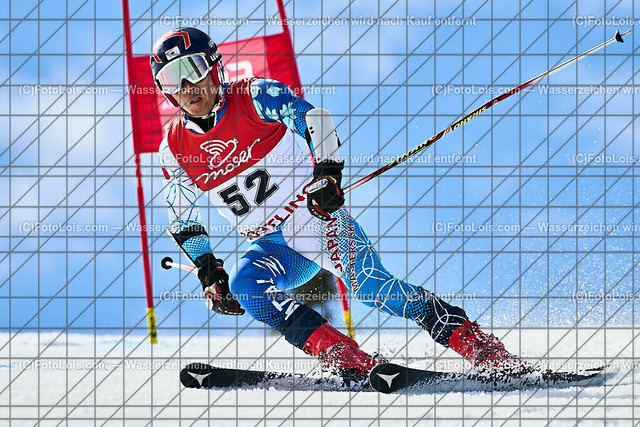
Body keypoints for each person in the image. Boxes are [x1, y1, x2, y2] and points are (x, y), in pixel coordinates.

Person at [151, 27, 530, 376]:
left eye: (193, 69)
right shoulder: (174, 147)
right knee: (245, 285)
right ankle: (346, 358)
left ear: (214, 66)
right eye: (172, 80)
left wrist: (327, 174)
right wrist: (208, 270)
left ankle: (484, 351)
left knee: (373, 289)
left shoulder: (254, 95)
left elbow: (314, 119)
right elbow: (181, 218)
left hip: (314, 219)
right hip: (273, 247)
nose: (187, 86)